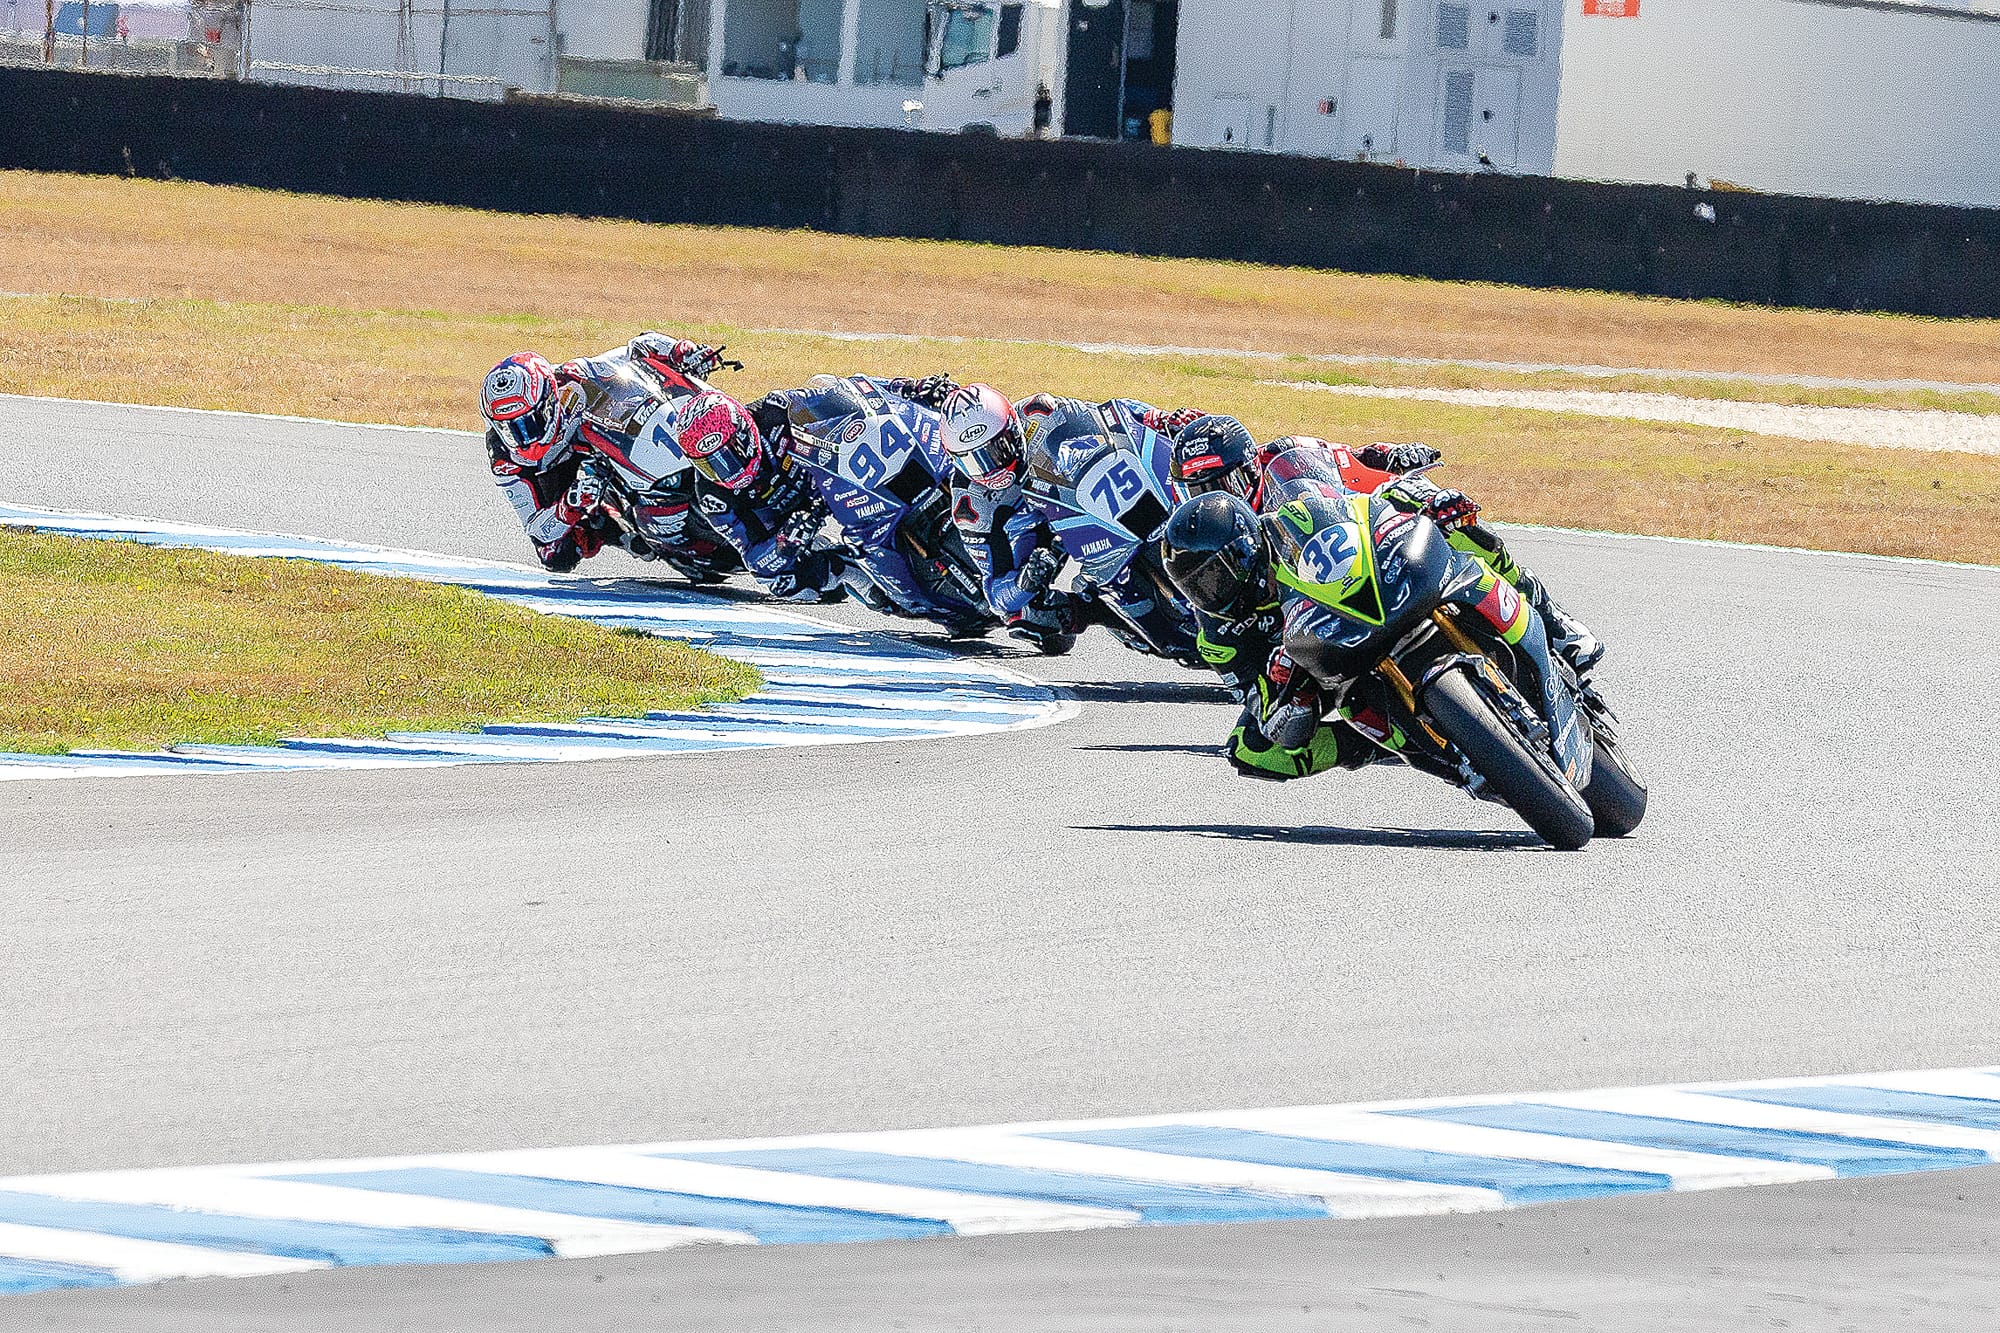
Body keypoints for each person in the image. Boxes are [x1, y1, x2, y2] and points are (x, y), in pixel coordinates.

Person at [1170, 425, 1601, 673]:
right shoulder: (1211, 530)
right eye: (1197, 489)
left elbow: (1352, 461)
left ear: (1250, 465)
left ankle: (1549, 616)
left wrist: (1397, 460)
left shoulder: (1288, 457)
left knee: (1455, 520)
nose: (1212, 496)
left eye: (1221, 483)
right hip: (1311, 603)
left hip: (1362, 539)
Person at [936, 383, 1205, 652]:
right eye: (973, 461)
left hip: (1072, 497)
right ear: (955, 460)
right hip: (1034, 534)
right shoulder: (971, 506)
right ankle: (1106, 616)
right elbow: (996, 595)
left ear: (1013, 428)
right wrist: (1026, 580)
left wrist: (1158, 418)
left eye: (998, 450)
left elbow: (1110, 415)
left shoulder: (1041, 412)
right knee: (1024, 614)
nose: (992, 468)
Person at [478, 333, 735, 574]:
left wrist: (679, 351)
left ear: (548, 400)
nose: (524, 438)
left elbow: (638, 347)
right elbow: (538, 530)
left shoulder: (573, 378)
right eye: (509, 428)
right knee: (555, 554)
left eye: (529, 422)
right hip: (564, 478)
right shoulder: (504, 459)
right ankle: (617, 529)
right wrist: (571, 503)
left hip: (606, 442)